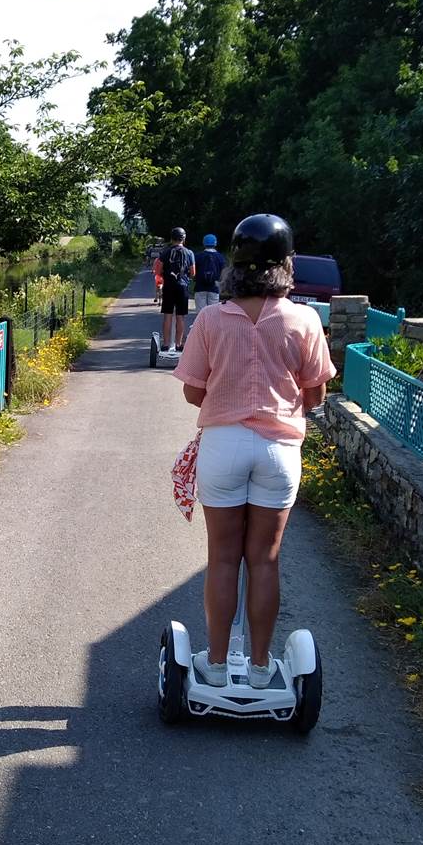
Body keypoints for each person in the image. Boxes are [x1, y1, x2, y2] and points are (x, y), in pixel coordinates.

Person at [171, 214, 336, 689]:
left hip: (223, 446)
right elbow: (316, 394)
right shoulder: (304, 319)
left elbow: (193, 391)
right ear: (286, 263)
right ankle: (262, 669)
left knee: (223, 558)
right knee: (264, 559)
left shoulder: (211, 319)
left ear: (234, 264)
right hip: (279, 450)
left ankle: (216, 663)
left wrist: (227, 394)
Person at [153, 227, 195, 356]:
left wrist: (165, 275)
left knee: (168, 315)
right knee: (180, 316)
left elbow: (158, 271)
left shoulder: (165, 252)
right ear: (184, 238)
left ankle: (166, 345)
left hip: (169, 286)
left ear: (172, 239)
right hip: (182, 286)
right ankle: (178, 344)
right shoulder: (189, 253)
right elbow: (193, 273)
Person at [192, 233, 226, 313]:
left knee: (201, 313)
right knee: (213, 313)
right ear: (215, 243)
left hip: (200, 287)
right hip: (214, 287)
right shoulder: (220, 257)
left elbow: (193, 272)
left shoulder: (198, 256)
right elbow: (223, 273)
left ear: (204, 243)